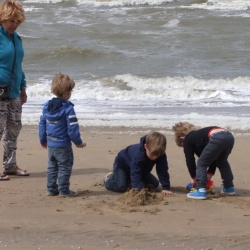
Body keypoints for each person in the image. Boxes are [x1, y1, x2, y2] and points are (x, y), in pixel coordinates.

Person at [39, 73, 86, 197]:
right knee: (65, 167)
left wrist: (42, 140)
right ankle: (64, 190)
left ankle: (51, 189)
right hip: (63, 145)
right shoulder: (68, 108)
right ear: (68, 92)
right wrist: (78, 142)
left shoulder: (46, 106)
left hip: (51, 143)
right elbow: (72, 129)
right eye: (71, 90)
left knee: (52, 167)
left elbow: (42, 124)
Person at [0, 0, 28, 180]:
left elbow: (18, 65)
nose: (14, 24)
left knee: (13, 129)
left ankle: (10, 166)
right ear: (2, 18)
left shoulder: (17, 38)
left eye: (17, 20)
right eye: (11, 20)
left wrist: (23, 86)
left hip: (15, 92)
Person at [172, 122, 235, 200]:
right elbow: (213, 159)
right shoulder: (200, 136)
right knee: (222, 161)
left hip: (216, 137)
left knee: (201, 163)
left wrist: (194, 178)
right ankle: (229, 187)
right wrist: (209, 174)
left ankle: (200, 190)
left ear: (182, 138)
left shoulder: (187, 138)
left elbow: (190, 160)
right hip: (229, 136)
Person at [104, 132, 172, 196]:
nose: (154, 158)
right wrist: (138, 190)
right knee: (121, 187)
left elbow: (162, 170)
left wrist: (166, 187)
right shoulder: (138, 155)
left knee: (155, 184)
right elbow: (135, 172)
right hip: (122, 166)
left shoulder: (160, 153)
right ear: (145, 147)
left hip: (142, 169)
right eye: (152, 154)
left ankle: (128, 180)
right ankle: (108, 179)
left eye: (157, 155)